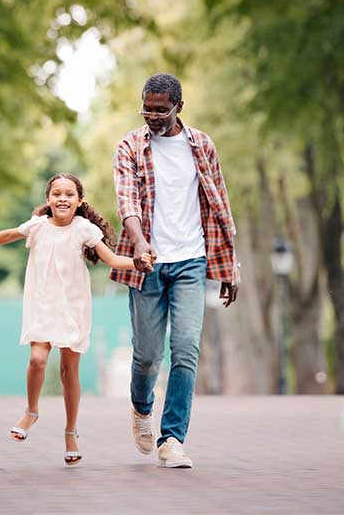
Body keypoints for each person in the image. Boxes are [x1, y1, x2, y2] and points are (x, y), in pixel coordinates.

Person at [0, 173, 152, 466]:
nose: (63, 198)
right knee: (37, 359)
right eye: (57, 193)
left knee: (68, 372)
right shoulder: (37, 227)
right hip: (41, 304)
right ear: (48, 199)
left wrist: (137, 262)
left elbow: (111, 259)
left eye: (70, 194)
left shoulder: (83, 228)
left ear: (80, 201)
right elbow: (9, 234)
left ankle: (71, 432)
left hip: (73, 307)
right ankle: (31, 412)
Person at [111, 72, 240, 468]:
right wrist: (138, 240)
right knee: (147, 356)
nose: (151, 116)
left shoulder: (201, 145)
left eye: (160, 110)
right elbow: (126, 199)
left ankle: (172, 439)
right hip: (147, 262)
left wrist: (230, 266)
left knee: (185, 350)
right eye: (146, 109)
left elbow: (220, 203)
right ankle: (141, 406)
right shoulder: (130, 145)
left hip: (191, 259)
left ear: (178, 107)